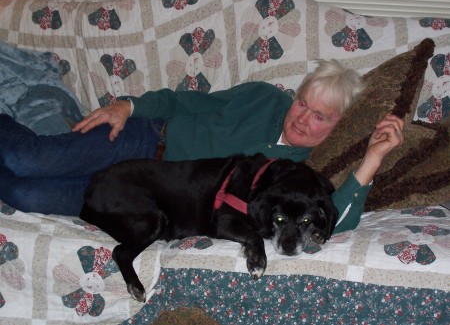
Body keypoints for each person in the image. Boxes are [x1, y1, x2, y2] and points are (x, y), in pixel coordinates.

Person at [0, 59, 404, 234]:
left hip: (144, 195)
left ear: (337, 126)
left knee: (24, 192)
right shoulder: (262, 97)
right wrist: (129, 105)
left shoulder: (298, 173)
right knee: (25, 157)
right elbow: (182, 101)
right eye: (302, 103)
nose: (301, 118)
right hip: (142, 142)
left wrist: (373, 157)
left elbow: (338, 221)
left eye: (320, 116)